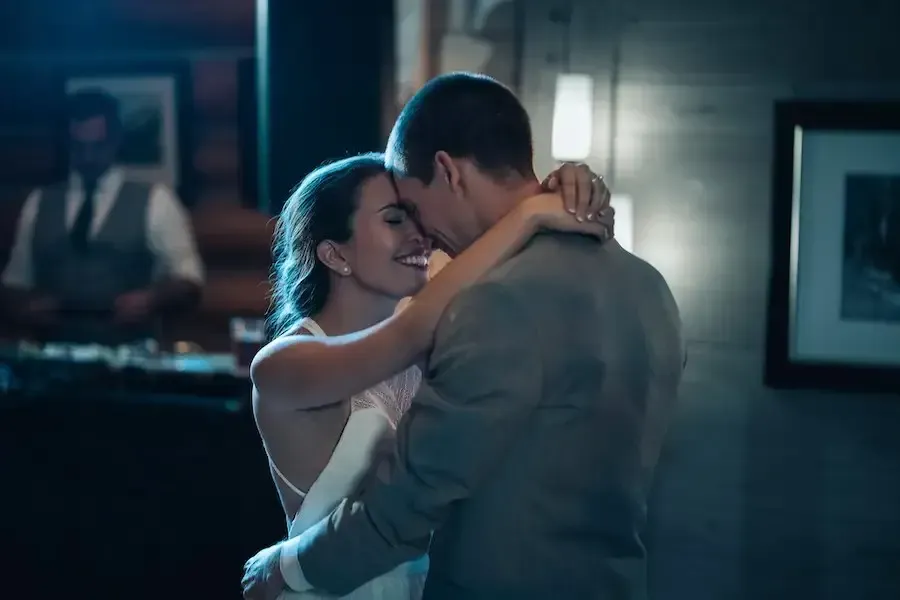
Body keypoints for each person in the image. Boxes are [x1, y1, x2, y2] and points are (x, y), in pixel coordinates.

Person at [244, 72, 684, 600]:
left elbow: (416, 496)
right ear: (333, 254)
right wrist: (534, 210)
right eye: (395, 219)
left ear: (447, 172)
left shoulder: (491, 306)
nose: (422, 235)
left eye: (412, 207)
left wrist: (289, 567)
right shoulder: (649, 286)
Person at [0, 89, 204, 345]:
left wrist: (151, 299)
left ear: (115, 140)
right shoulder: (39, 203)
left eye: (97, 146)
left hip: (129, 358)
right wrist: (26, 305)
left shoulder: (155, 200)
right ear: (67, 142)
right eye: (79, 147)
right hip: (51, 356)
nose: (88, 157)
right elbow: (14, 282)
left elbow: (190, 280)